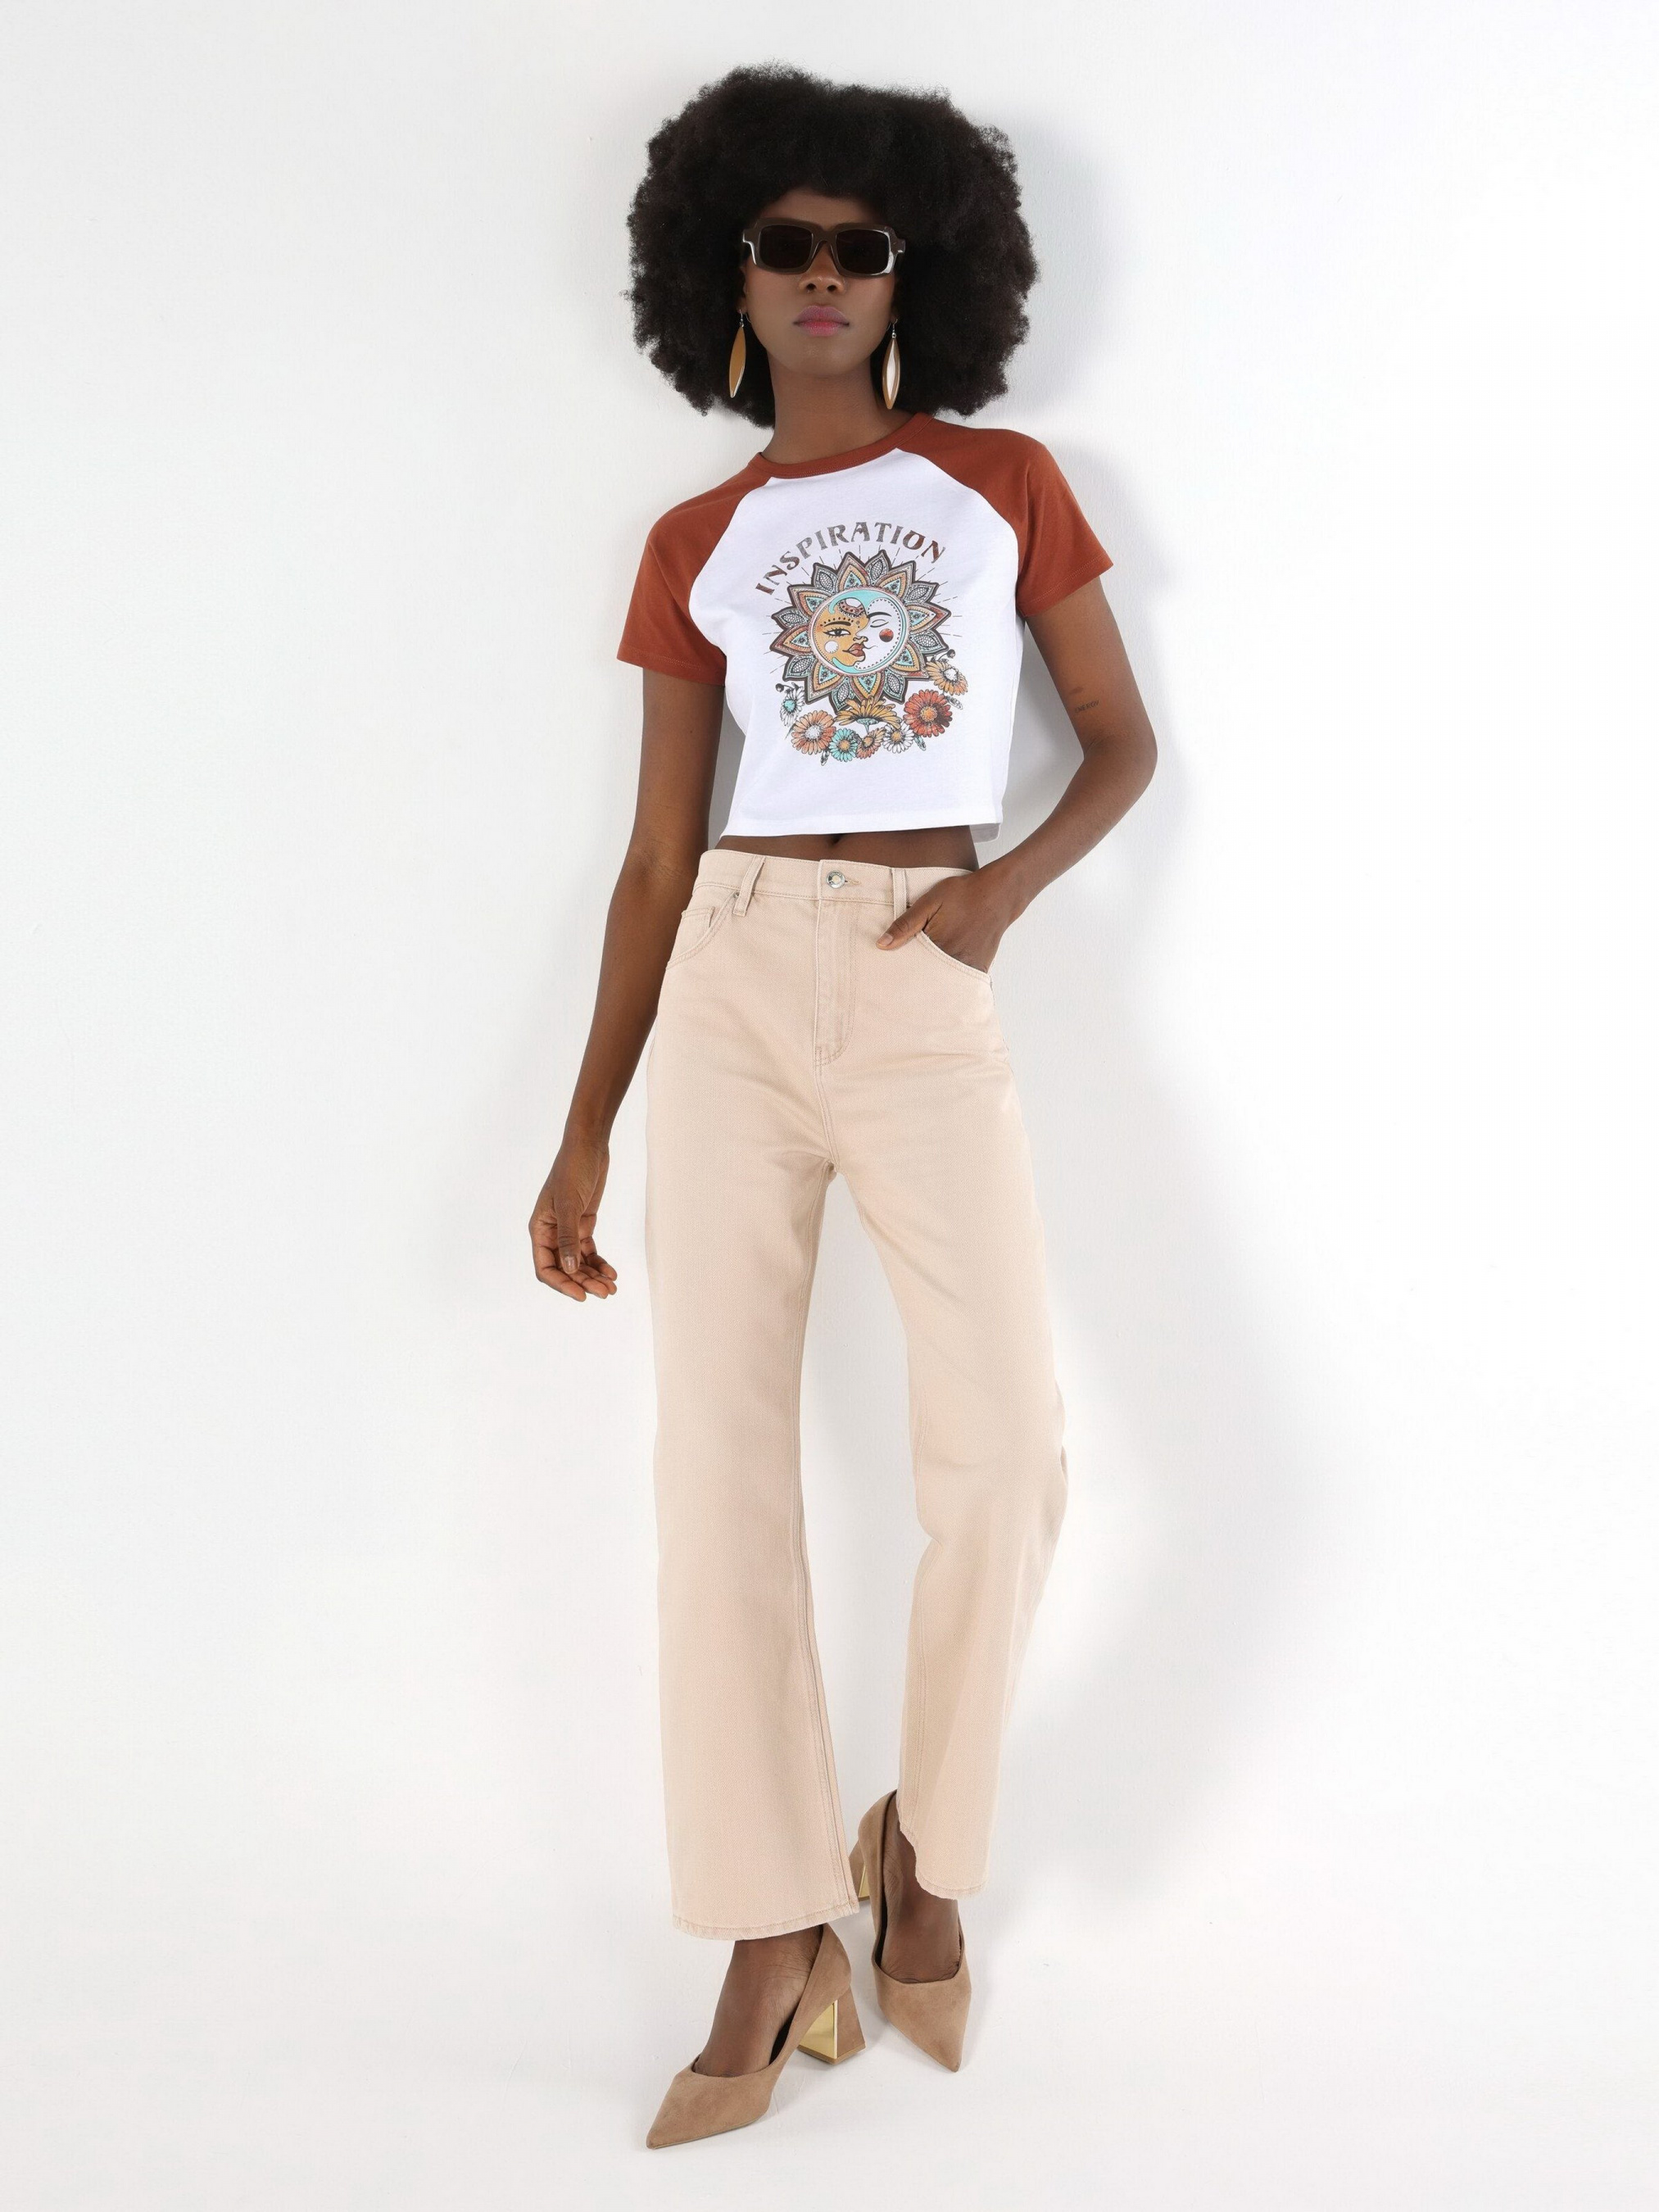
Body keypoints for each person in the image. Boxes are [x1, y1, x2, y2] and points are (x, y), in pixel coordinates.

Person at [528, 64, 1157, 2148]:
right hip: (726, 979)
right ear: (723, 275)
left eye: (857, 248)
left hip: (915, 971)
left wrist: (991, 898)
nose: (819, 276)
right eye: (782, 245)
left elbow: (1120, 743)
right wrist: (584, 1125)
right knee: (713, 1466)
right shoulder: (692, 543)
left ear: (915, 277)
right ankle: (765, 1918)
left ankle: (926, 1855)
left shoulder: (1001, 484)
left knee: (1006, 1455)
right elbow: (652, 859)